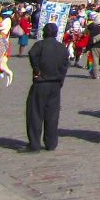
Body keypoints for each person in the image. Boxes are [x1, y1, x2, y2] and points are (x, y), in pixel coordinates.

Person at [22, 22, 69, 152]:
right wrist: (61, 79)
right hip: (55, 85)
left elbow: (32, 54)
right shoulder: (61, 47)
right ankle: (51, 143)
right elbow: (65, 64)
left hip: (41, 83)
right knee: (52, 115)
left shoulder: (40, 45)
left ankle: (35, 144)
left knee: (35, 114)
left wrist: (36, 69)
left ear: (43, 32)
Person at [87, 12, 100, 80]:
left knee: (95, 62)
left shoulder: (93, 28)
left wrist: (88, 47)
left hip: (94, 46)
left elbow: (90, 38)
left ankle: (96, 75)